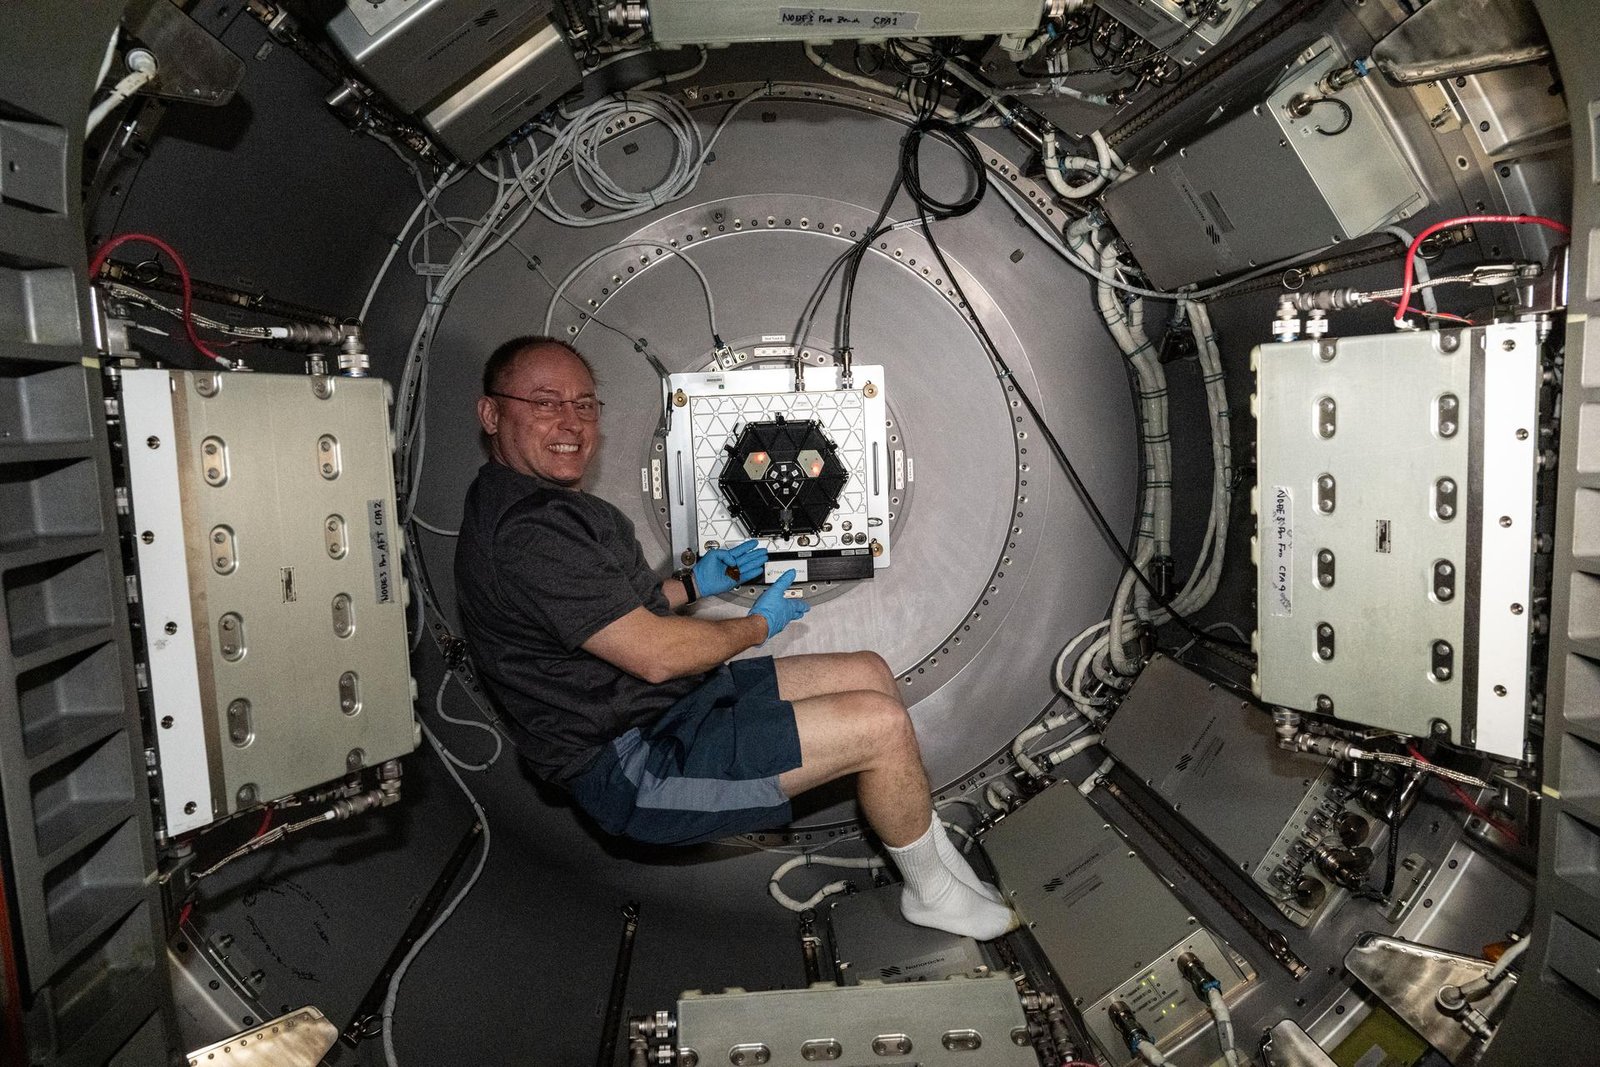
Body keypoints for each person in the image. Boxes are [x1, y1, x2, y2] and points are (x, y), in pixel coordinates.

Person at [454, 336, 1015, 940]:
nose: (570, 422)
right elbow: (654, 656)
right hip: (634, 765)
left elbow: (602, 619)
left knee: (869, 672)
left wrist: (694, 583)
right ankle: (931, 892)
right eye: (544, 403)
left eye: (584, 405)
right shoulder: (530, 532)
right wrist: (757, 625)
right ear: (492, 413)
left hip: (665, 713)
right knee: (880, 725)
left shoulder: (535, 504)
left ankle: (936, 866)